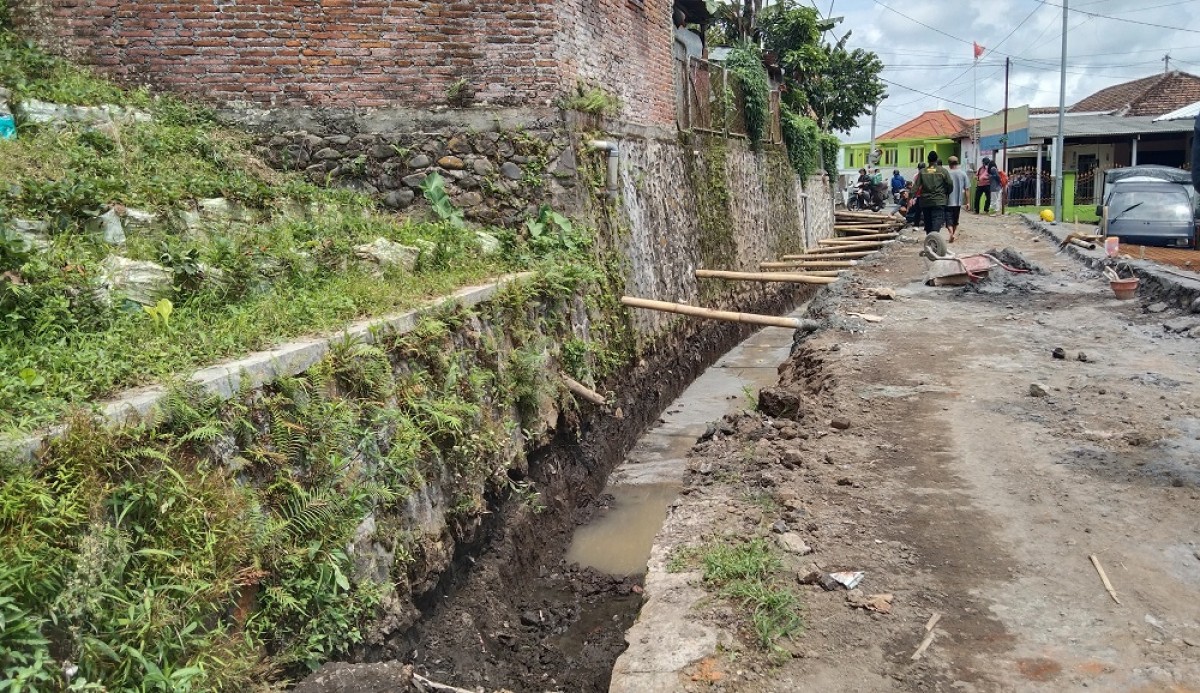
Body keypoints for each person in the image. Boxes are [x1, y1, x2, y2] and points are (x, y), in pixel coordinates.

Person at [913, 151, 952, 235]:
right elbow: (950, 184)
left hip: (925, 201)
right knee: (937, 220)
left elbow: (915, 187)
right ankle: (934, 237)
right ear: (936, 160)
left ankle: (930, 239)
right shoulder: (943, 171)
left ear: (928, 160)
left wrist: (910, 197)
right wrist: (946, 193)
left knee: (928, 222)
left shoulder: (922, 172)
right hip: (939, 201)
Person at [945, 156, 970, 242]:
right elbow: (967, 189)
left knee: (948, 220)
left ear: (949, 164)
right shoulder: (963, 174)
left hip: (947, 201)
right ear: (957, 163)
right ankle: (953, 234)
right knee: (955, 220)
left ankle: (951, 234)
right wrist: (968, 202)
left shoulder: (946, 174)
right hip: (958, 202)